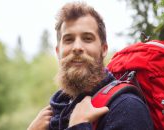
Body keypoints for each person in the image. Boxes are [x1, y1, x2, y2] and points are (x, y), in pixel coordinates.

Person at [27, 2, 153, 130]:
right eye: (69, 39)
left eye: (87, 38)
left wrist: (78, 125)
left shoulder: (126, 107)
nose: (77, 47)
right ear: (58, 51)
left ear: (103, 49)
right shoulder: (54, 113)